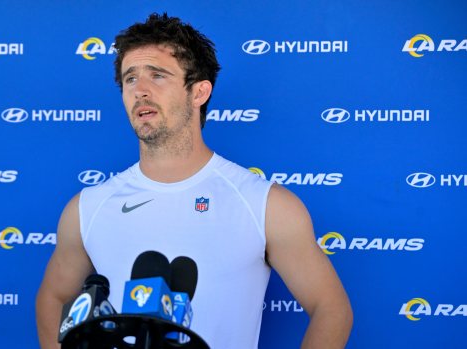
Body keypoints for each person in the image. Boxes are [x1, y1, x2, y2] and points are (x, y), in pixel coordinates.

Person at [36, 13, 352, 349]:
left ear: (199, 92)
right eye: (130, 79)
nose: (140, 90)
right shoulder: (88, 207)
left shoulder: (265, 205)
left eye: (157, 76)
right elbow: (53, 297)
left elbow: (331, 308)